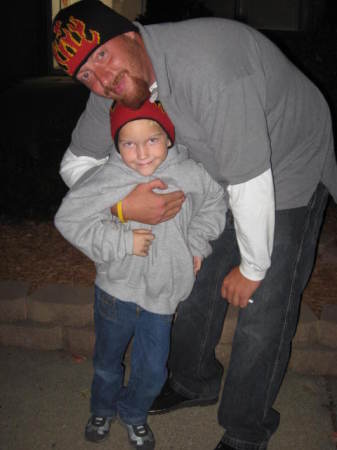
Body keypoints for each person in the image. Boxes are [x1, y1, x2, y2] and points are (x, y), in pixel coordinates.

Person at [52, 1, 337, 449]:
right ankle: (193, 381)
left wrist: (254, 268)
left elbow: (250, 179)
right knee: (195, 274)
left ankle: (246, 427)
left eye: (102, 56)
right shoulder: (112, 88)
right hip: (214, 168)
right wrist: (125, 205)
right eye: (85, 73)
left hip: (287, 160)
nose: (101, 79)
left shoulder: (209, 66)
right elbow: (77, 164)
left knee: (262, 301)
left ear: (131, 34)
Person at [54, 99, 226, 449]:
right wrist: (121, 241)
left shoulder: (192, 173)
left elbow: (215, 202)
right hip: (115, 292)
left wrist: (196, 244)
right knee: (106, 362)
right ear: (116, 145)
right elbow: (69, 219)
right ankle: (102, 408)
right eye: (128, 143)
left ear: (168, 138)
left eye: (152, 139)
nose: (141, 152)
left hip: (163, 294)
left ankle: (133, 413)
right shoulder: (108, 177)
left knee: (152, 372)